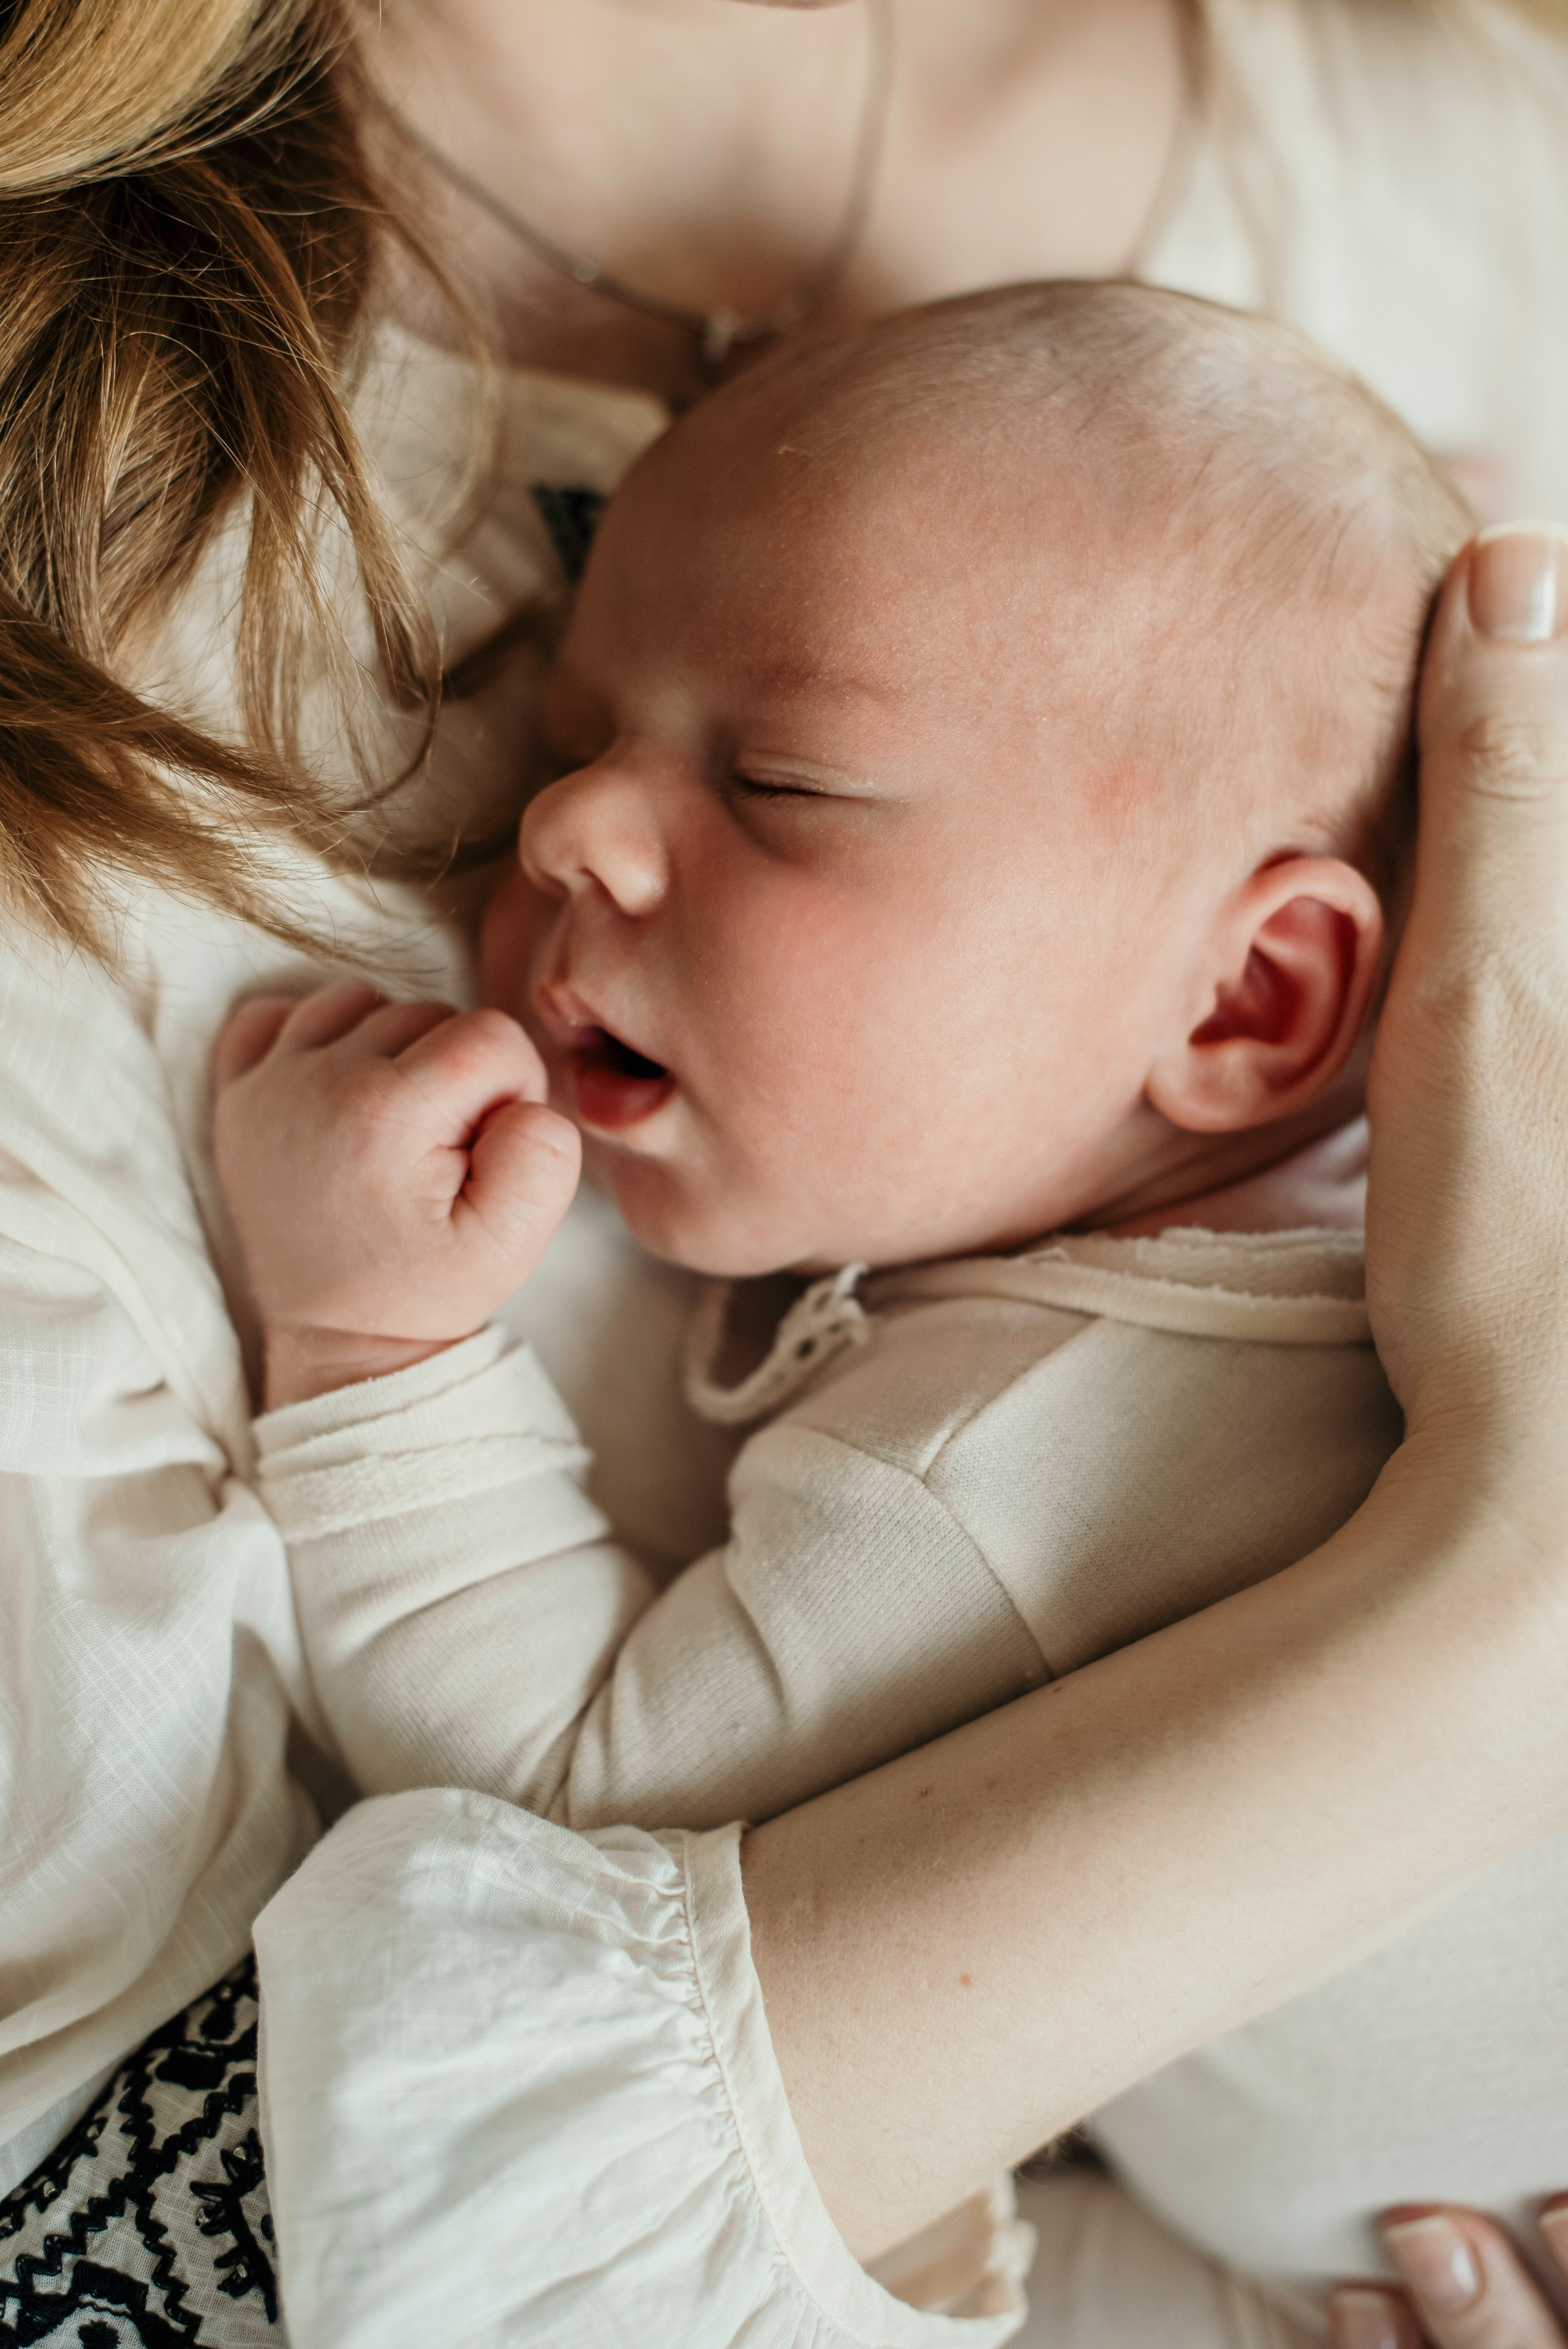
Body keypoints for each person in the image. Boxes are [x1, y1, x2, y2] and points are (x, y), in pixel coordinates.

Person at [0, 0, 1564, 2340]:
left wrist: (374, 1354)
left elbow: (579, 1805)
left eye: (786, 787)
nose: (559, 826)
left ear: (1252, 1004)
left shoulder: (998, 1454)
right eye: (574, 738)